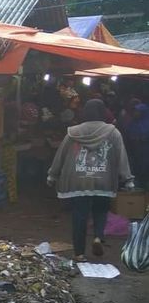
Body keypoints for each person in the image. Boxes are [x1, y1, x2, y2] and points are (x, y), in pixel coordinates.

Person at [47, 99, 134, 261]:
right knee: (101, 211)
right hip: (104, 181)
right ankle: (98, 237)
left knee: (80, 216)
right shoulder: (113, 133)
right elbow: (122, 156)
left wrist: (52, 175)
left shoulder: (73, 132)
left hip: (78, 181)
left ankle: (79, 253)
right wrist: (127, 179)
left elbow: (61, 154)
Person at [126, 103, 149, 189]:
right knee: (136, 172)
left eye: (137, 111)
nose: (135, 113)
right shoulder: (132, 123)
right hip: (135, 153)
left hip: (146, 153)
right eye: (135, 111)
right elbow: (129, 135)